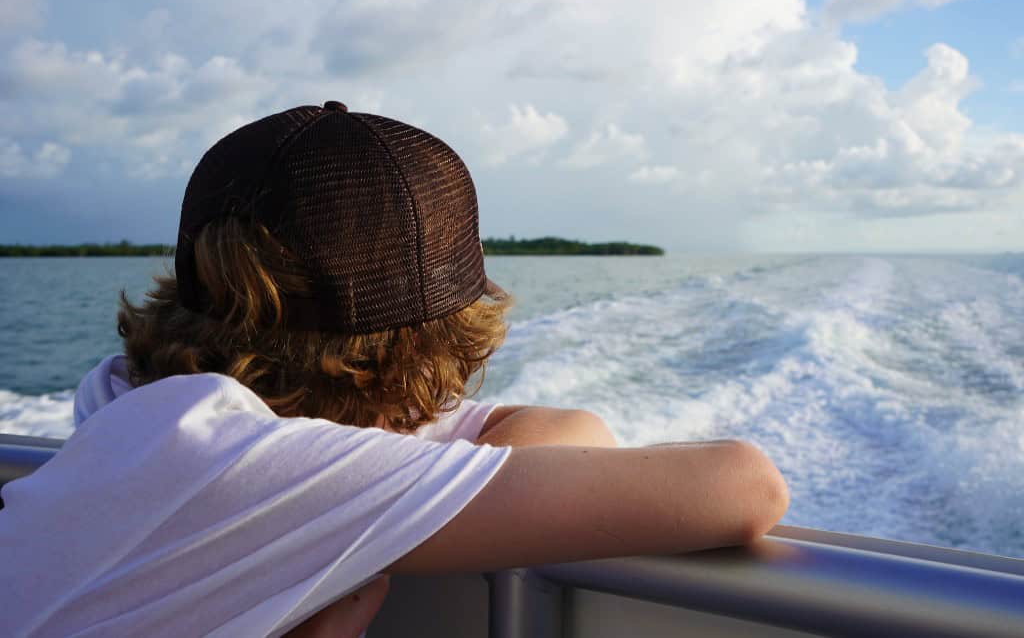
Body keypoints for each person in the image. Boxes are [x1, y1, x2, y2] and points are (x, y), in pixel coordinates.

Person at [0, 102, 789, 637]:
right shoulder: (254, 470)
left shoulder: (122, 405)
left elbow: (560, 432)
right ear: (435, 348)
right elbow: (744, 485)